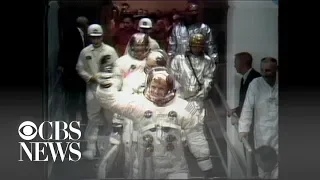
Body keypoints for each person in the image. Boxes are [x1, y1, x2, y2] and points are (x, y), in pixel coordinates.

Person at [96, 67, 214, 179]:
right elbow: (112, 102)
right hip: (145, 166)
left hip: (174, 165)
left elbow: (196, 137)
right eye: (153, 87)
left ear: (170, 89)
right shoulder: (138, 104)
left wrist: (205, 164)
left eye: (161, 88)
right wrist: (105, 87)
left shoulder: (184, 107)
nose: (156, 91)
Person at [76, 24, 119, 160]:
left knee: (109, 118)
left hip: (108, 89)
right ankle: (91, 147)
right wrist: (90, 78)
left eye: (98, 37)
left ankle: (108, 148)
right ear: (89, 37)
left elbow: (118, 69)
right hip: (93, 89)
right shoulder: (85, 52)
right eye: (93, 37)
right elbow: (80, 68)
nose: (96, 40)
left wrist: (114, 84)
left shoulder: (110, 51)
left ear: (102, 36)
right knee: (92, 118)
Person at [170, 33, 215, 144]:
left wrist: (203, 91)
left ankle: (195, 148)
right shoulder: (179, 59)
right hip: (180, 98)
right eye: (195, 46)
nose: (197, 48)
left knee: (196, 122)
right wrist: (177, 92)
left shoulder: (207, 61)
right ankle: (182, 147)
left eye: (200, 46)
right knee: (179, 123)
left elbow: (208, 78)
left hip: (196, 99)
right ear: (190, 45)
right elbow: (172, 76)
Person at [238, 57, 278, 179]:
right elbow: (247, 107)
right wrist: (243, 129)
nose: (265, 73)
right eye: (262, 70)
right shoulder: (255, 84)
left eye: (268, 70)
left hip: (279, 131)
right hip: (262, 132)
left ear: (276, 69)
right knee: (263, 163)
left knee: (279, 163)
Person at [59, 16, 89, 123]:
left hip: (81, 71)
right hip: (71, 70)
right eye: (86, 24)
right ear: (83, 24)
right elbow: (64, 48)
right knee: (73, 96)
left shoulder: (85, 36)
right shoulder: (71, 33)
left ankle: (83, 118)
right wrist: (62, 64)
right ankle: (72, 118)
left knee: (82, 95)